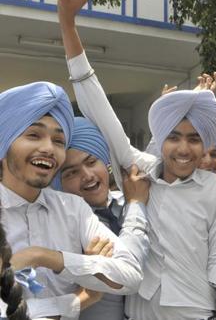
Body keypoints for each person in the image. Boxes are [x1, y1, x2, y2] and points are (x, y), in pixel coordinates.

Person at [58, 0, 216, 319]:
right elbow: (98, 108)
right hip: (139, 311)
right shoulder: (140, 171)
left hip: (195, 311)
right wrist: (68, 25)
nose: (183, 148)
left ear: (206, 145)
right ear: (160, 140)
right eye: (174, 137)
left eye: (194, 139)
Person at [0, 81, 143, 319]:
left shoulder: (72, 209)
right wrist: (75, 301)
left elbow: (130, 275)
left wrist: (46, 257)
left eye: (58, 141)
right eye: (34, 135)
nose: (48, 148)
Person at [56, 117, 150, 320]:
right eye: (71, 173)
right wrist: (136, 204)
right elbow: (129, 267)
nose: (88, 175)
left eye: (91, 162)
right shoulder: (63, 227)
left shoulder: (126, 201)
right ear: (58, 184)